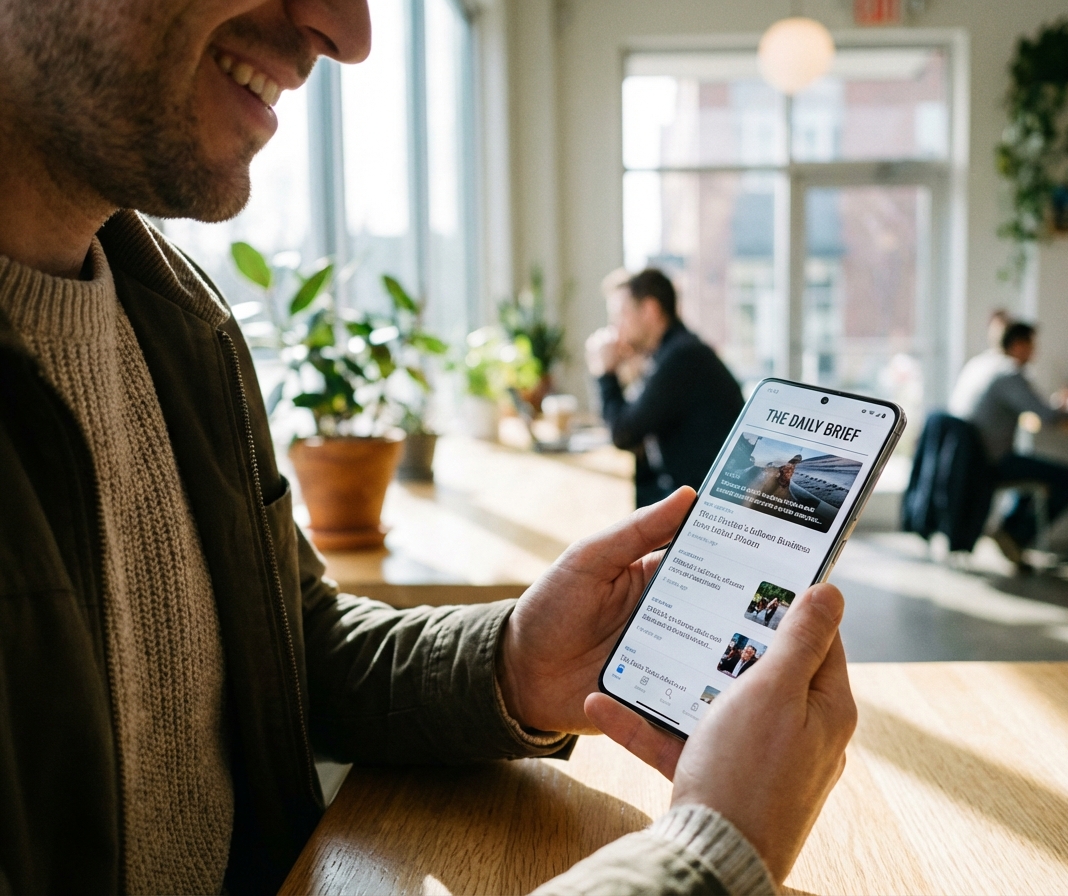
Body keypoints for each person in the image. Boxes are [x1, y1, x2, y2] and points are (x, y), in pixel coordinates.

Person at [0, 2, 857, 894]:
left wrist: (513, 660)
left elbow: (292, 647)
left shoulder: (179, 319)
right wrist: (712, 857)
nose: (351, 33)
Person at [586, 269, 745, 507]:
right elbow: (635, 420)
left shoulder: (682, 358)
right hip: (689, 495)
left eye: (621, 316)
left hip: (703, 508)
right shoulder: (676, 351)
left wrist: (605, 373)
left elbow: (623, 433)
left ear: (650, 310)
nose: (616, 329)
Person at [948, 322, 1068, 564]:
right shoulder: (1009, 373)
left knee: (1031, 465)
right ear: (1019, 345)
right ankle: (1015, 534)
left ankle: (1009, 530)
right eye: (1033, 346)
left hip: (968, 460)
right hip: (989, 462)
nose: (1035, 353)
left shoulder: (980, 364)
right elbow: (1047, 415)